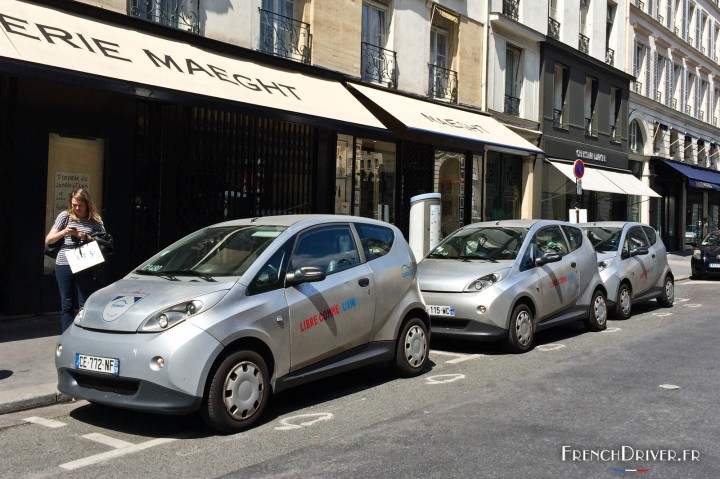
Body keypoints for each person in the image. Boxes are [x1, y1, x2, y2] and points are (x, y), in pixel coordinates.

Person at [45, 188, 106, 332]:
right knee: (67, 304)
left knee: (84, 304)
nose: (77, 208)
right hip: (64, 263)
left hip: (84, 263)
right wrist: (64, 232)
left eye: (80, 205)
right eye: (74, 205)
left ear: (87, 204)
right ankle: (67, 335)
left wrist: (86, 237)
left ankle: (82, 334)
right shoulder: (64, 216)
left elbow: (104, 242)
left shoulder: (95, 220)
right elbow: (48, 240)